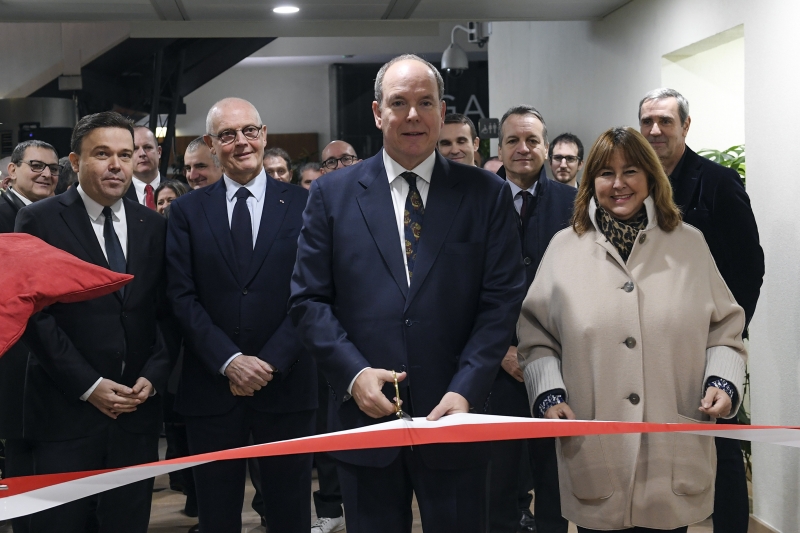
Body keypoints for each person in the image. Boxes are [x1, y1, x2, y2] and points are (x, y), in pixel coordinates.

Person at [289, 54, 525, 533]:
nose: (413, 115)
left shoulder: (487, 195)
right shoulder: (331, 196)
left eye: (425, 102)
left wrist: (466, 389)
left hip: (455, 416)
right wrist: (353, 375)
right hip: (366, 417)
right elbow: (308, 300)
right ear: (378, 113)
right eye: (399, 103)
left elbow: (500, 302)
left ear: (442, 111)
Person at [517, 126, 747, 532]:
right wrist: (548, 392)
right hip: (596, 451)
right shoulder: (563, 249)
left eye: (632, 171)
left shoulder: (689, 245)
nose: (619, 184)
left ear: (651, 177)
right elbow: (536, 338)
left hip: (672, 450)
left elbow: (725, 329)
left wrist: (723, 382)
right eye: (606, 173)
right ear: (591, 183)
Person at [15, 111, 173, 533]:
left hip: (136, 411)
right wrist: (90, 385)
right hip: (66, 410)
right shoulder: (40, 220)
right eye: (103, 154)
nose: (117, 165)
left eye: (126, 154)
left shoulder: (153, 225)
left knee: (127, 522)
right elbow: (36, 316)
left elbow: (164, 311)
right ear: (74, 161)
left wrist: (154, 376)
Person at [166, 97, 316, 533]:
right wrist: (231, 361)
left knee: (289, 513)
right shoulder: (186, 212)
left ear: (265, 135)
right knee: (217, 514)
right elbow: (181, 295)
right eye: (228, 135)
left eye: (250, 131)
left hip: (285, 384)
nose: (242, 142)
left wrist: (269, 362)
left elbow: (316, 292)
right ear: (213, 145)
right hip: (212, 388)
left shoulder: (306, 205)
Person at [638, 88, 763, 533]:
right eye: (648, 121)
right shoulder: (635, 184)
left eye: (665, 121)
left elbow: (750, 267)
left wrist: (727, 336)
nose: (655, 130)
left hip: (708, 342)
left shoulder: (719, 181)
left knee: (719, 445)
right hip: (649, 342)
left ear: (685, 127)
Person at [488, 106, 573, 533]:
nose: (523, 149)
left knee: (555, 477)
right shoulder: (477, 198)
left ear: (546, 146)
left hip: (561, 364)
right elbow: (462, 284)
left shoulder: (575, 203)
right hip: (495, 365)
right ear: (499, 148)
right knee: (498, 481)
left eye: (532, 141)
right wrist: (501, 348)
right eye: (513, 141)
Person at [0, 139, 60, 533]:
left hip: (50, 355)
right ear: (12, 171)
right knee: (19, 450)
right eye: (36, 166)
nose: (46, 174)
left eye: (53, 169)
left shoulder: (51, 213)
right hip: (13, 354)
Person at [124, 126, 162, 209]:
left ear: (159, 152)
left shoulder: (183, 191)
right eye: (135, 149)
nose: (142, 153)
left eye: (147, 147)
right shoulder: (117, 196)